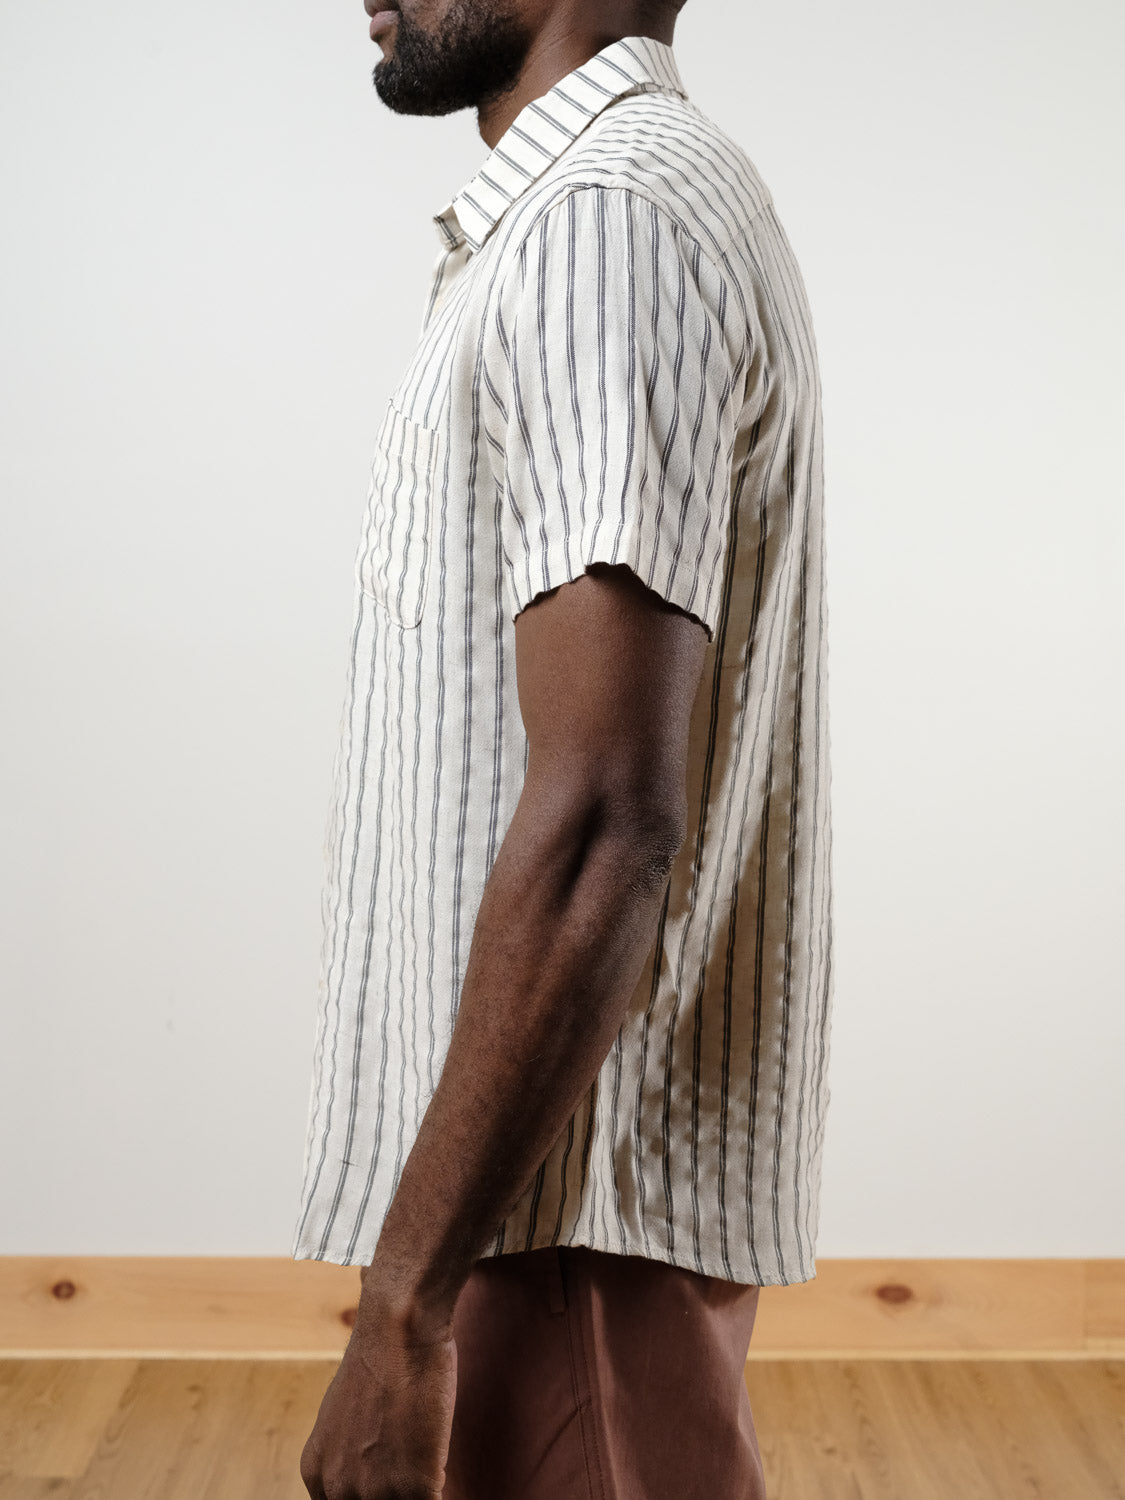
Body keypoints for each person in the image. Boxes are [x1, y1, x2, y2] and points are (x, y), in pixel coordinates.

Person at [294, 2, 833, 1496]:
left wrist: (402, 1308)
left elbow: (608, 815)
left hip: (558, 1228)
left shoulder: (604, 228)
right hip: (545, 1209)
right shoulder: (591, 208)